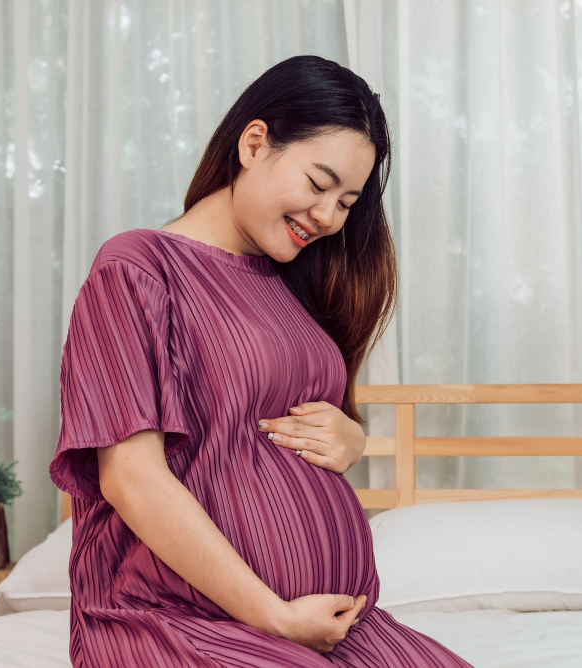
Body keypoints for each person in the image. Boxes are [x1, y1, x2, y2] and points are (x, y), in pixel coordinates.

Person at [48, 54, 475, 667]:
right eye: (319, 184)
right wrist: (274, 614)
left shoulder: (288, 285)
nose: (329, 217)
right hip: (173, 621)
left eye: (348, 201)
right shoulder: (137, 268)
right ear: (254, 144)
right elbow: (130, 478)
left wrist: (351, 438)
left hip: (336, 628)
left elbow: (270, 427)